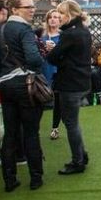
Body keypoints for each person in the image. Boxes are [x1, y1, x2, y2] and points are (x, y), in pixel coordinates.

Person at [0, 0, 45, 192]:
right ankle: (36, 178)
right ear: (15, 10)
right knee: (30, 132)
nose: (33, 9)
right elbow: (34, 59)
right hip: (25, 84)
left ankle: (9, 180)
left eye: (33, 6)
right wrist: (40, 56)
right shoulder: (24, 30)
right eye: (28, 7)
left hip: (5, 84)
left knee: (10, 133)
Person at [46, 0, 92, 176]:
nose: (59, 18)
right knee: (72, 122)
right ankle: (81, 155)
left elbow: (53, 58)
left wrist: (52, 51)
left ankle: (78, 160)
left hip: (70, 83)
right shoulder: (83, 31)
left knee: (71, 123)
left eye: (61, 14)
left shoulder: (69, 35)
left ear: (70, 15)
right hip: (81, 82)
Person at [39, 9, 62, 139]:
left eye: (56, 17)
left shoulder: (63, 36)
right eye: (50, 17)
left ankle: (55, 128)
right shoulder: (41, 35)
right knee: (40, 99)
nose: (53, 19)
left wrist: (56, 49)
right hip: (44, 69)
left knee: (58, 100)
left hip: (58, 71)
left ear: (60, 20)